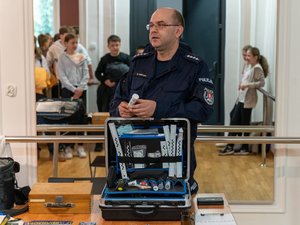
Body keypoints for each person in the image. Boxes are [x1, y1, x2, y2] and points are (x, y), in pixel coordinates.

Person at [109, 7, 214, 195]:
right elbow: (116, 100)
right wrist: (120, 109)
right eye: (151, 25)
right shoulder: (139, 62)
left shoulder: (195, 66)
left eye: (161, 25)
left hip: (175, 161)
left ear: (178, 31)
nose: (154, 30)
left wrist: (159, 109)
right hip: (133, 160)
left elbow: (203, 109)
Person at [219, 46, 269, 156]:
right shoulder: (248, 65)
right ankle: (232, 145)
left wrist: (247, 84)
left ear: (255, 57)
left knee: (241, 123)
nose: (246, 57)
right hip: (241, 98)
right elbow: (245, 78)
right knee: (234, 119)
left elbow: (261, 83)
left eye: (248, 56)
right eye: (245, 55)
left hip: (248, 100)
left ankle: (238, 147)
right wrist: (242, 83)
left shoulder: (257, 68)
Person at [57, 33, 89, 159]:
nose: (75, 45)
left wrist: (80, 88)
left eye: (76, 42)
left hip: (81, 90)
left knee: (81, 118)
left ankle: (80, 146)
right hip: (68, 90)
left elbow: (86, 73)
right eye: (72, 43)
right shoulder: (62, 58)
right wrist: (73, 89)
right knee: (69, 118)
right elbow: (62, 76)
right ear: (66, 44)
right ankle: (68, 146)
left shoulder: (81, 57)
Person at [95, 34, 131, 112]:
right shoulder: (104, 59)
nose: (115, 47)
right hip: (107, 88)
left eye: (117, 45)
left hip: (122, 88)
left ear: (120, 45)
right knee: (105, 108)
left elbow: (131, 73)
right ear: (108, 46)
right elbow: (97, 73)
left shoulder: (126, 58)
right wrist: (105, 80)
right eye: (112, 45)